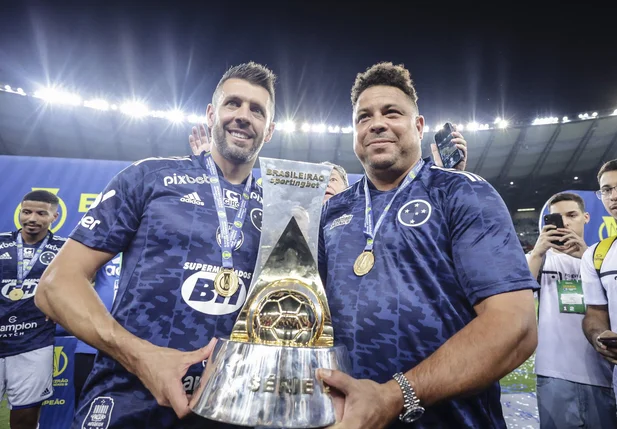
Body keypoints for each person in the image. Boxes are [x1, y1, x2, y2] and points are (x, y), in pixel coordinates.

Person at [35, 62, 276, 429]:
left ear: (269, 130)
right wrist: (142, 357)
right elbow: (55, 286)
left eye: (256, 110)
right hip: (129, 398)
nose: (243, 116)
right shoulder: (150, 177)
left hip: (230, 409)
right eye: (233, 104)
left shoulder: (278, 211)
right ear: (211, 114)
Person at [317, 62, 538, 428]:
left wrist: (393, 396)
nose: (376, 123)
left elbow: (514, 326)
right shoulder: (334, 210)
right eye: (363, 117)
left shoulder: (462, 192)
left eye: (392, 112)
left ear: (419, 127)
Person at [527, 192, 615, 428]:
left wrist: (586, 256)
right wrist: (537, 252)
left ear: (586, 218)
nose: (564, 222)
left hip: (604, 373)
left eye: (572, 215)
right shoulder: (539, 259)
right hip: (555, 372)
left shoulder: (603, 257)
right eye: (557, 217)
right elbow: (518, 300)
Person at [0, 190, 66, 429]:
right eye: (26, 212)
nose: (32, 218)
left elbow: (80, 287)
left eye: (41, 213)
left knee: (25, 419)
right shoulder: (0, 241)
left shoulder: (65, 250)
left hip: (34, 342)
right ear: (20, 212)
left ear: (54, 216)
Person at [582, 159, 617, 389]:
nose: (613, 196)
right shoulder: (597, 255)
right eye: (606, 190)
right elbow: (595, 313)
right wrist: (600, 337)